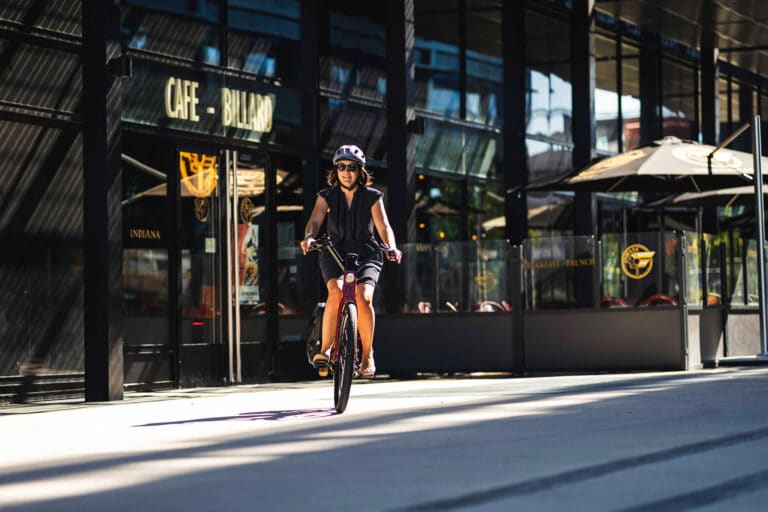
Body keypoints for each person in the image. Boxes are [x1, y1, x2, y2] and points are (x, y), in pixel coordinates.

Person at [300, 145, 402, 378]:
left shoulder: (372, 196)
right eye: (341, 167)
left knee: (363, 296)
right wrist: (309, 237)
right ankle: (325, 349)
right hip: (333, 251)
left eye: (351, 168)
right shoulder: (326, 195)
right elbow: (315, 220)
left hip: (367, 252)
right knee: (336, 291)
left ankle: (367, 354)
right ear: (336, 171)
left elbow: (384, 227)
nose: (346, 172)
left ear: (360, 171)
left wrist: (392, 247)